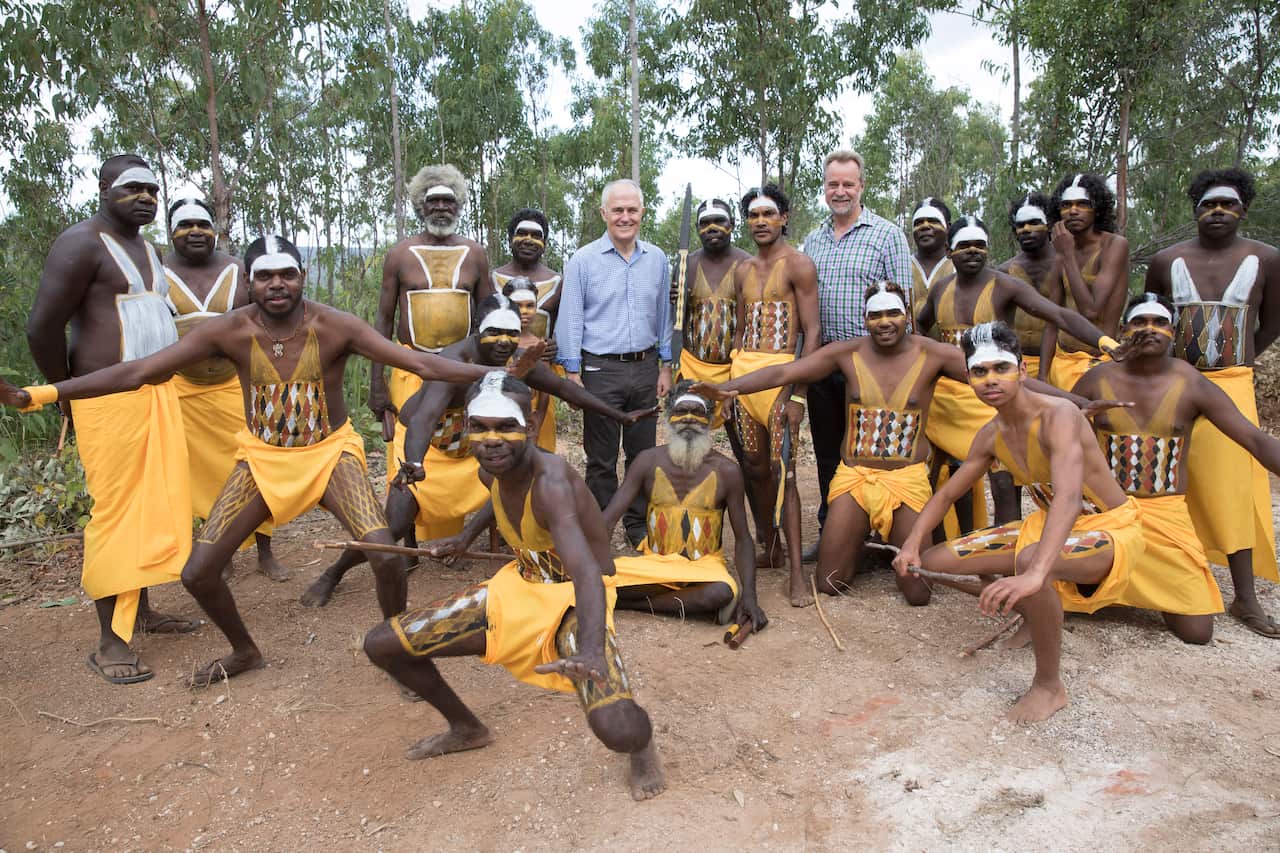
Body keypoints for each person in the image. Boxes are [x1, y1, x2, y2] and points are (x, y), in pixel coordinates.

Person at [6, 235, 532, 686]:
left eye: (287, 275)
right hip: (261, 460)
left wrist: (509, 375)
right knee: (199, 572)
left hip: (330, 456)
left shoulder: (335, 326)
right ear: (249, 283)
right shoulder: (228, 330)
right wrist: (43, 395)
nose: (277, 285)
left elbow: (420, 361)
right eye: (265, 277)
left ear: (303, 277)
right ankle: (244, 650)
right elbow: (139, 371)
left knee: (389, 557)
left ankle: (403, 652)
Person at [362, 373, 666, 801]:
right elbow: (498, 495)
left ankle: (642, 748)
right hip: (519, 588)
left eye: (505, 426)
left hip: (571, 601)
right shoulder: (493, 469)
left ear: (530, 423)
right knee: (383, 644)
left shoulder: (553, 484)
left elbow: (585, 575)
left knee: (617, 729)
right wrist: (465, 538)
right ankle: (467, 728)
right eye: (479, 427)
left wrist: (591, 650)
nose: (491, 439)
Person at [697, 282, 1097, 606]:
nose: (885, 322)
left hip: (906, 480)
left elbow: (1013, 379)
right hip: (855, 479)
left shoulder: (933, 354)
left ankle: (888, 545)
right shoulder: (846, 353)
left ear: (907, 313)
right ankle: (867, 544)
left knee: (918, 592)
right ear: (864, 319)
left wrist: (1078, 402)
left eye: (893, 313)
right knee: (830, 583)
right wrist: (724, 388)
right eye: (876, 315)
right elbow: (785, 370)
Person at [301, 295, 654, 607]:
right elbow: (424, 418)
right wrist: (413, 460)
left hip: (477, 442)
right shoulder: (456, 360)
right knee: (392, 524)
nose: (503, 342)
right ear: (476, 331)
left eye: (511, 333)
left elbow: (566, 390)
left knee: (511, 485)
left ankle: (519, 555)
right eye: (493, 332)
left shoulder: (520, 362)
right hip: (428, 446)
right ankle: (333, 574)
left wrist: (620, 415)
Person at [892, 322, 1144, 723]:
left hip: (1111, 530)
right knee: (933, 562)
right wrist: (911, 543)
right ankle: (1035, 611)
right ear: (970, 378)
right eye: (979, 372)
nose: (990, 380)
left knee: (1030, 564)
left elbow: (1068, 495)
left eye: (1000, 368)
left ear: (1022, 371)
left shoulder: (1059, 415)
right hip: (1047, 528)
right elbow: (945, 494)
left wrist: (1035, 572)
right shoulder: (992, 434)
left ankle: (1049, 685)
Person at [23, 154, 195, 684]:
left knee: (154, 506)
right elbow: (41, 329)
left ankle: (139, 611)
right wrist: (68, 394)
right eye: (132, 188)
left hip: (159, 398)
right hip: (107, 402)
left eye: (152, 190)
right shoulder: (80, 244)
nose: (146, 197)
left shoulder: (148, 250)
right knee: (118, 515)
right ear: (102, 189)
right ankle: (109, 642)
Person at [1074, 294, 1280, 642]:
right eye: (1139, 322)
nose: (1149, 329)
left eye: (1160, 322)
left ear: (1175, 331)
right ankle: (1112, 579)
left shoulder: (1192, 382)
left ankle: (1140, 583)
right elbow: (1058, 432)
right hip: (1107, 511)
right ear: (1123, 330)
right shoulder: (1096, 378)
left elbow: (1254, 440)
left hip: (1166, 516)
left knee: (1197, 631)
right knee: (1077, 594)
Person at [916, 215, 1121, 528]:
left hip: (989, 395)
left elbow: (1060, 315)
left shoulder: (1003, 286)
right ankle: (939, 547)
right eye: (964, 246)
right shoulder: (941, 288)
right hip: (947, 399)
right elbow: (919, 325)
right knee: (935, 470)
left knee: (1003, 478)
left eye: (979, 245)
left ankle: (1008, 551)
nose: (973, 251)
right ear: (949, 251)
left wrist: (1106, 342)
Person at [1145, 168, 1280, 637]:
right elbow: (1153, 319)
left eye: (1228, 204)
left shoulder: (1266, 258)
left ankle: (1245, 595)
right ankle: (1175, 573)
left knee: (1231, 487)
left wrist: (1235, 362)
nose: (1218, 212)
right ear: (1195, 210)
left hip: (1234, 383)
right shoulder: (1166, 260)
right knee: (1171, 478)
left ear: (1244, 209)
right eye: (1208, 204)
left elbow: (1271, 323)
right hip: (1175, 381)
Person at [161, 196, 284, 582]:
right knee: (200, 477)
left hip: (237, 387)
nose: (195, 231)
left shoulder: (239, 271)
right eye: (185, 225)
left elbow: (268, 322)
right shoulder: (157, 273)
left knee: (255, 466)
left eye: (202, 224)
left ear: (215, 229)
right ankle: (221, 551)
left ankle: (265, 550)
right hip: (184, 392)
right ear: (171, 232)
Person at [802, 150, 912, 549]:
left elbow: (905, 308)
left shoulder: (887, 235)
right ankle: (833, 532)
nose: (841, 191)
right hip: (824, 362)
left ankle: (880, 532)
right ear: (825, 188)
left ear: (862, 186)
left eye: (848, 184)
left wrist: (899, 368)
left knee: (871, 452)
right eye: (833, 184)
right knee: (830, 452)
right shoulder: (812, 241)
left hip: (872, 365)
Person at [368, 164, 493, 505]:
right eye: (433, 201)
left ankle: (469, 523)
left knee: (467, 446)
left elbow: (490, 317)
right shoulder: (400, 255)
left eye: (448, 202)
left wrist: (491, 374)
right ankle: (407, 538)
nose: (441, 208)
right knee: (407, 445)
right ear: (421, 206)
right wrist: (376, 383)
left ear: (459, 206)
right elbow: (383, 319)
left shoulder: (475, 254)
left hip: (462, 371)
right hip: (410, 366)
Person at [556, 178, 672, 546]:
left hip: (645, 368)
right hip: (599, 371)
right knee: (601, 458)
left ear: (643, 213)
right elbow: (571, 317)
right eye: (618, 210)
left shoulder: (657, 259)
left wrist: (666, 365)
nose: (625, 217)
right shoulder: (583, 260)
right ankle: (600, 528)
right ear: (604, 213)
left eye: (632, 210)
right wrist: (571, 373)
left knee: (642, 454)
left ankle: (638, 528)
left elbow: (664, 314)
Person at [602, 383, 765, 628]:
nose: (689, 419)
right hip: (655, 566)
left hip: (704, 567)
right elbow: (609, 519)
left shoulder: (727, 471)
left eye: (697, 413)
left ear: (710, 420)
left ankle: (629, 603)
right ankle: (679, 603)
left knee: (722, 591)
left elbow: (743, 539)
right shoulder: (648, 461)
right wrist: (595, 565)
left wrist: (750, 597)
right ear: (668, 418)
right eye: (682, 411)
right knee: (595, 578)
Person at [730, 184, 819, 606]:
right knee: (756, 468)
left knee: (787, 473)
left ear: (784, 217)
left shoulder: (798, 265)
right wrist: (731, 372)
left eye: (769, 214)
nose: (761, 222)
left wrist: (798, 394)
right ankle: (773, 548)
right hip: (745, 382)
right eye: (753, 215)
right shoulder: (743, 270)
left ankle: (798, 575)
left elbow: (813, 333)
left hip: (782, 378)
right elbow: (740, 327)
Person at [1041, 173, 1130, 391]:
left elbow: (1091, 310)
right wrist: (1043, 375)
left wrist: (1067, 255)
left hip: (1099, 364)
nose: (1073, 210)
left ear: (1097, 208)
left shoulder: (1114, 245)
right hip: (1061, 363)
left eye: (1083, 204)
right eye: (1066, 205)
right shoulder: (1060, 249)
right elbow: (1053, 317)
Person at [672, 197, 751, 428]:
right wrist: (675, 301)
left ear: (732, 224)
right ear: (697, 229)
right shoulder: (687, 264)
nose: (712, 228)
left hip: (735, 372)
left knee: (745, 447)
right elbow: (677, 318)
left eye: (719, 221)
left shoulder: (748, 264)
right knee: (689, 437)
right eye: (705, 223)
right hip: (692, 368)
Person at [493, 208, 563, 449]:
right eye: (521, 233)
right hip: (498, 375)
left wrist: (556, 346)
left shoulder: (557, 282)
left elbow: (563, 326)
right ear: (510, 238)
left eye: (536, 235)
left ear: (544, 243)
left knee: (539, 443)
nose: (528, 240)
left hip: (541, 380)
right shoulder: (492, 278)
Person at [1000, 191, 1059, 379]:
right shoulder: (1005, 271)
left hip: (1060, 363)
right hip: (1016, 364)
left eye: (1034, 223)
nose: (1026, 229)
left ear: (1049, 224)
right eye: (1020, 225)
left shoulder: (1067, 266)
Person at [908, 197, 954, 327]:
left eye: (933, 221)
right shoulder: (901, 266)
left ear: (948, 227)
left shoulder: (959, 267)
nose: (925, 226)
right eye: (918, 223)